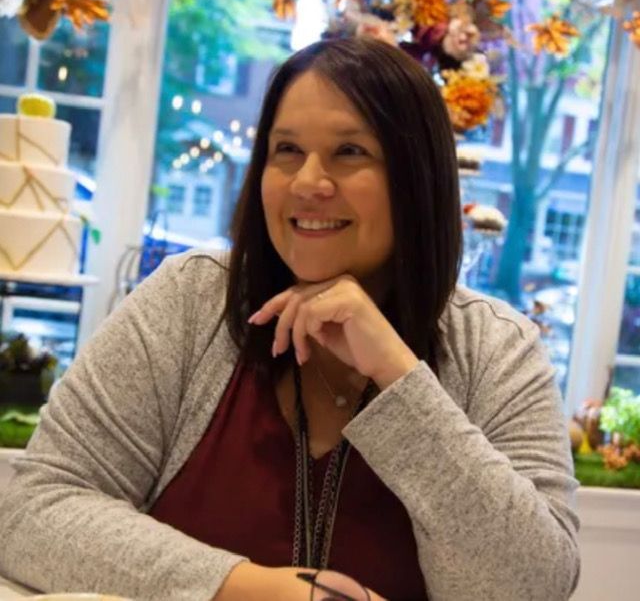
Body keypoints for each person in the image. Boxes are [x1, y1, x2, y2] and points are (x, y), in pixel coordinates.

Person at [0, 37, 579, 601]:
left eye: (350, 152)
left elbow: (530, 587)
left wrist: (399, 376)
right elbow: (35, 509)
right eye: (287, 151)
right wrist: (244, 588)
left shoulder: (498, 349)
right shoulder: (192, 299)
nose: (308, 183)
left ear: (416, 179)